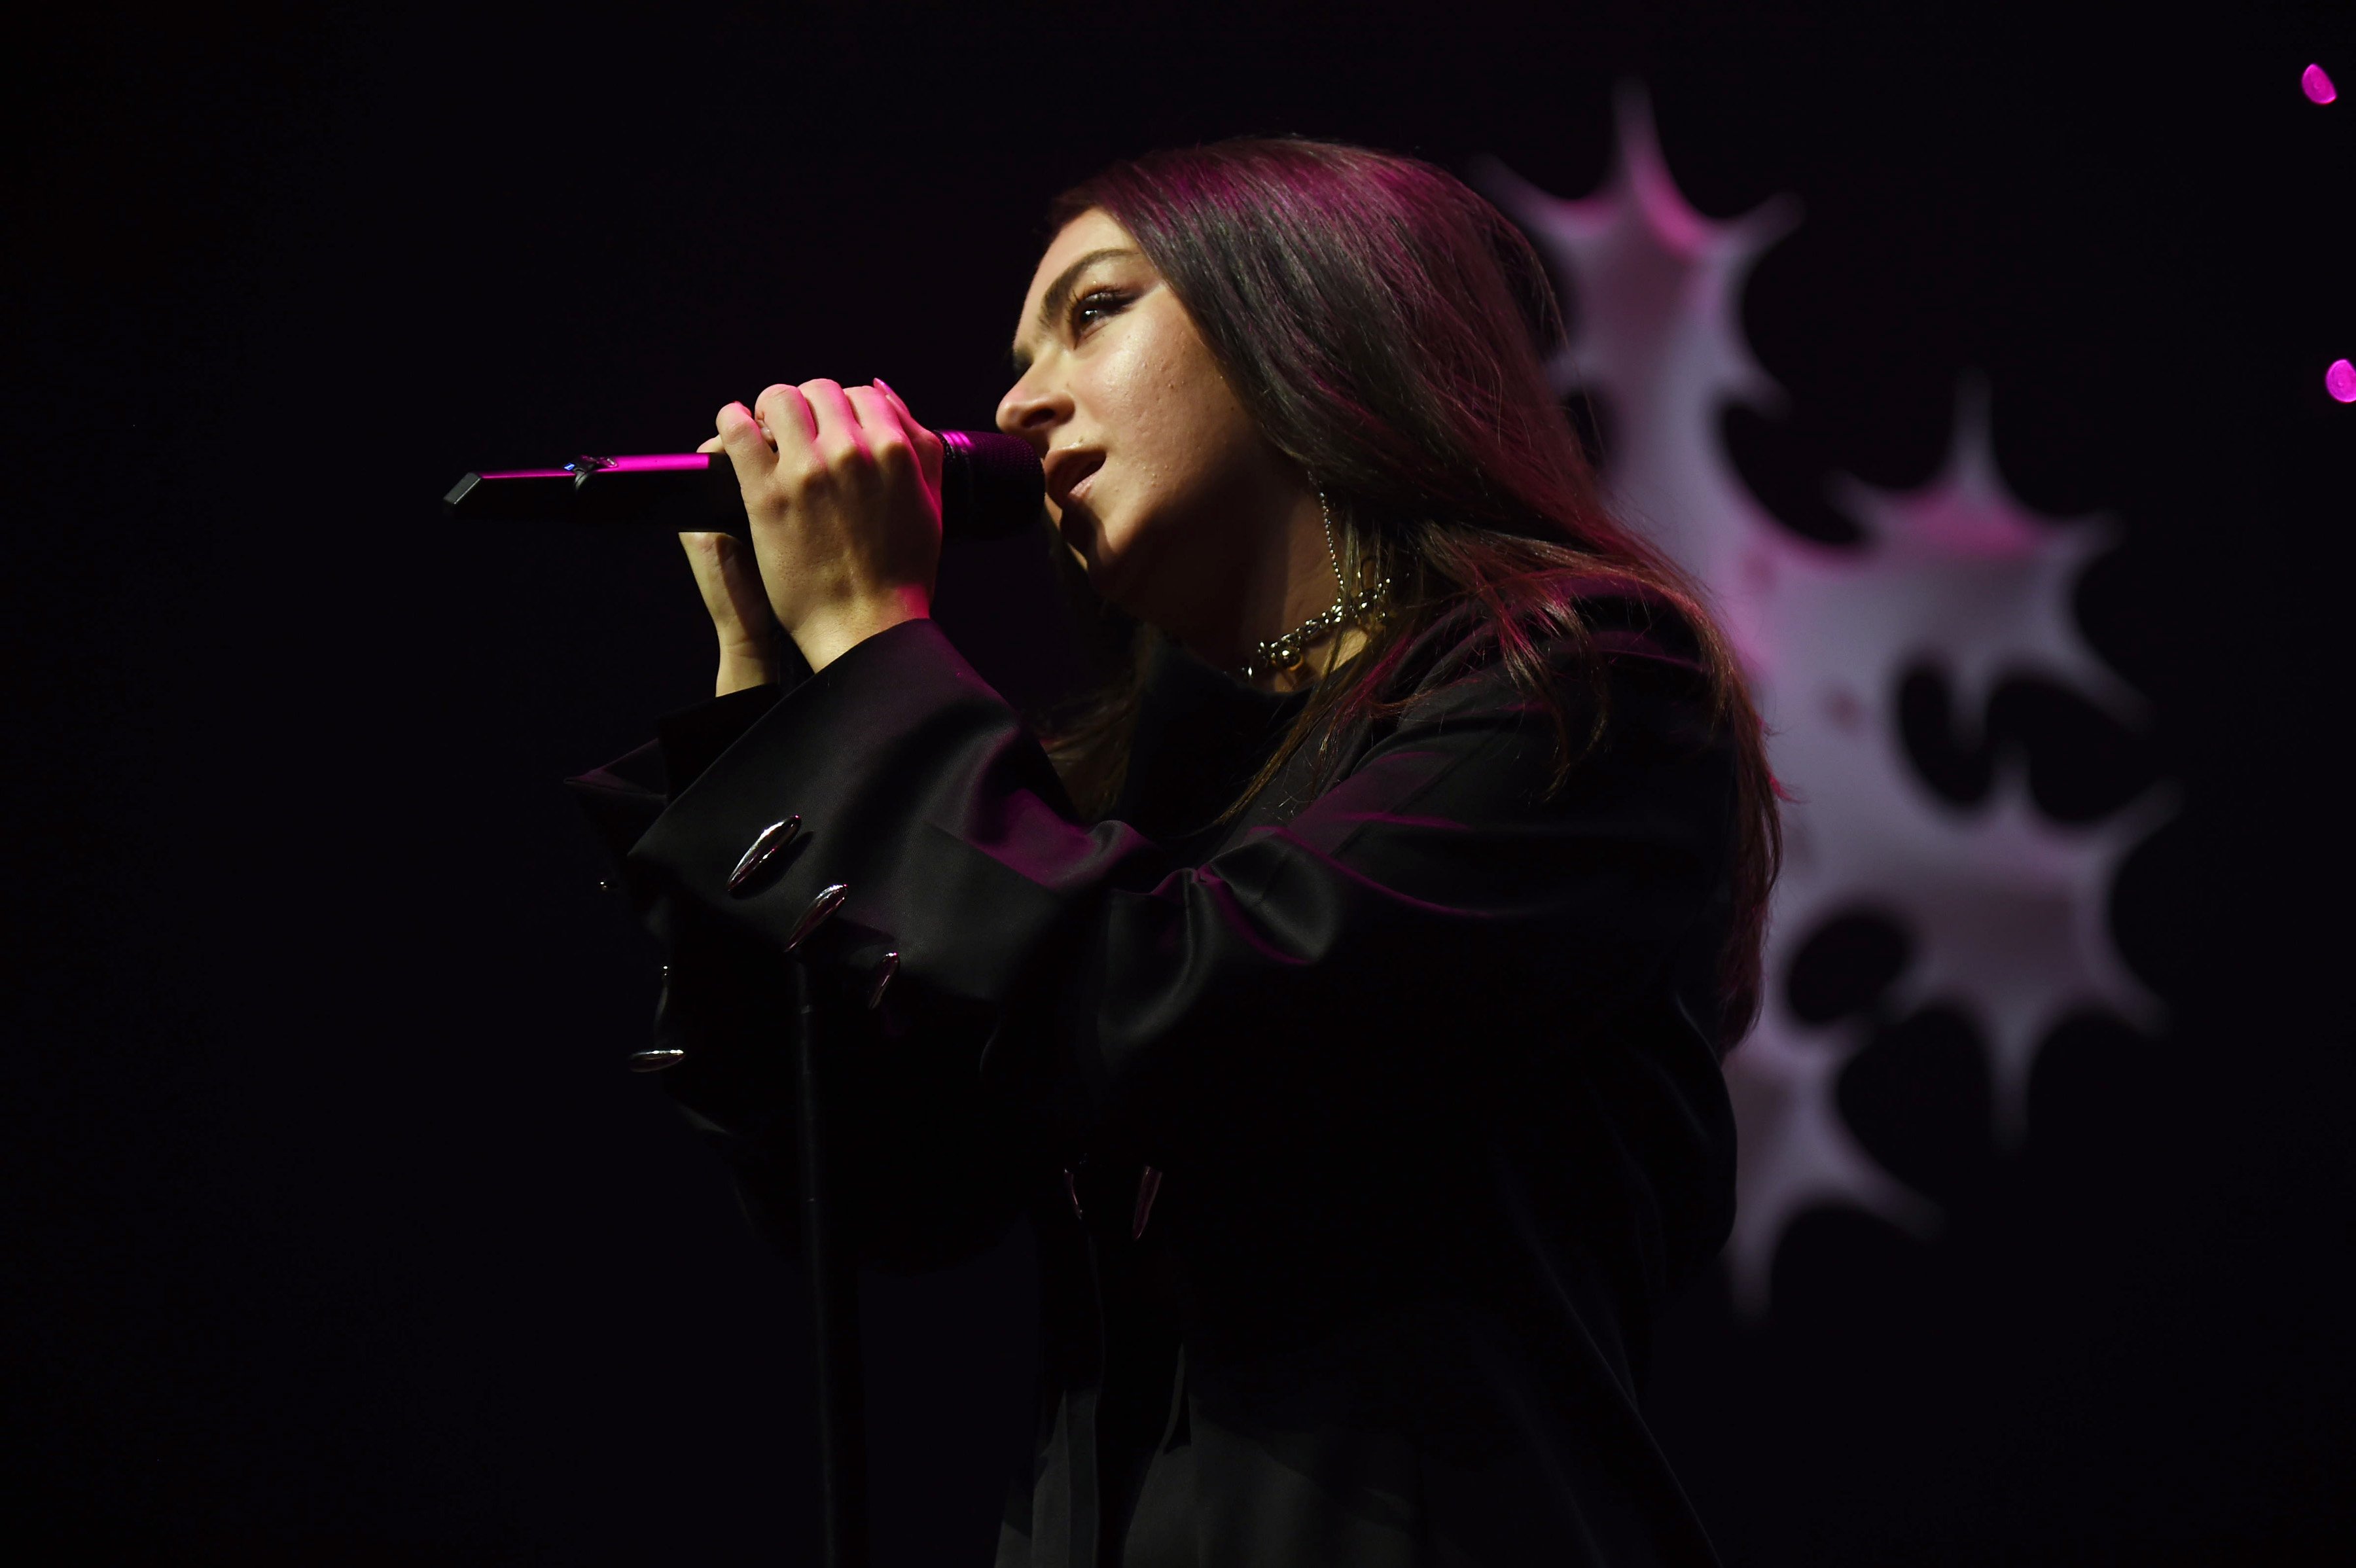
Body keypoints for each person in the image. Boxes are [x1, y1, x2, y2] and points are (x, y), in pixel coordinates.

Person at [567, 137, 1779, 1568]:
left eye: (1091, 312)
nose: (1015, 403)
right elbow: (885, 1184)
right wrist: (775, 703)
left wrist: (878, 653)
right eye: (1019, 352)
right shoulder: (1126, 804)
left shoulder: (1581, 694)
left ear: (1309, 329)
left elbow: (1188, 1009)